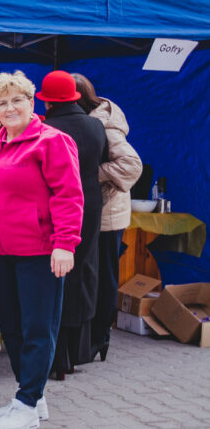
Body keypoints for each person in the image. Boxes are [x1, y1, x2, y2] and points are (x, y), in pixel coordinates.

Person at [0, 70, 83, 429]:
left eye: (17, 100)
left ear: (32, 101)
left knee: (39, 326)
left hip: (40, 251)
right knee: (12, 326)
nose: (10, 108)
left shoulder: (52, 141)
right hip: (2, 251)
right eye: (2, 102)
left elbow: (68, 195)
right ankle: (32, 395)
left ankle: (26, 402)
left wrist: (65, 244)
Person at [40, 70, 108, 380]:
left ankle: (55, 355)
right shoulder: (95, 126)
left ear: (48, 101)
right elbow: (103, 160)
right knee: (82, 274)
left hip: (55, 206)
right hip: (90, 206)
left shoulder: (45, 129)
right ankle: (76, 352)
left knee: (53, 275)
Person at [72, 73, 142, 363]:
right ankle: (96, 338)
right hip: (98, 212)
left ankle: (100, 337)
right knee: (96, 276)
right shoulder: (95, 119)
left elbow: (131, 164)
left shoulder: (104, 124)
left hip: (107, 215)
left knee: (102, 277)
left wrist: (91, 175)